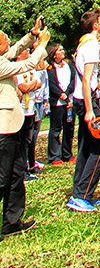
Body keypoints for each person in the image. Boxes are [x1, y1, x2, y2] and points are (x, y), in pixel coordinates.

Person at [0, 17, 50, 237]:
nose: (8, 40)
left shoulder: (2, 58)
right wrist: (41, 47)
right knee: (2, 177)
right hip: (3, 130)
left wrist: (32, 36)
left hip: (12, 126)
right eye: (4, 38)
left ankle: (11, 221)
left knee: (15, 174)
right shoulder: (1, 65)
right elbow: (26, 64)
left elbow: (14, 50)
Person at [68, 9, 100, 212]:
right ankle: (83, 194)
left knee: (85, 147)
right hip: (87, 100)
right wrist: (89, 109)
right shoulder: (92, 45)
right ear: (95, 25)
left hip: (81, 98)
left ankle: (78, 193)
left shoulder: (83, 42)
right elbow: (86, 79)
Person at [47, 42, 76, 164]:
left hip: (69, 101)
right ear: (54, 55)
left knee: (69, 128)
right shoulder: (50, 68)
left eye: (63, 50)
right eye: (60, 50)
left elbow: (74, 79)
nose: (63, 52)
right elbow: (52, 84)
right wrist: (61, 95)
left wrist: (68, 93)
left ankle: (67, 154)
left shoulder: (69, 64)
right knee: (56, 129)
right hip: (58, 102)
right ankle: (54, 156)